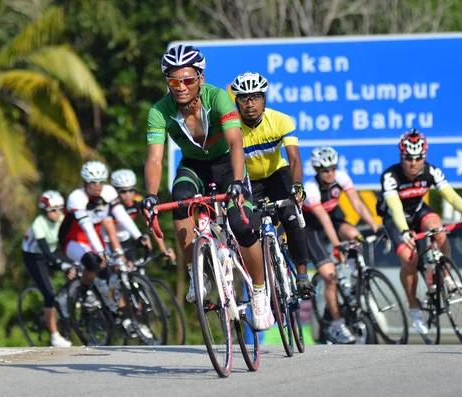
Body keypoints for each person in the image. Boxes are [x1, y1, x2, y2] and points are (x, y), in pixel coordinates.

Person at [143, 45, 274, 331]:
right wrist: (151, 196)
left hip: (227, 164)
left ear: (200, 78)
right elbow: (155, 157)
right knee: (179, 202)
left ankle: (260, 292)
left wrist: (238, 181)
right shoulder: (159, 111)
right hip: (193, 166)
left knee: (241, 225)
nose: (180, 87)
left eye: (187, 80)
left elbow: (236, 142)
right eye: (173, 81)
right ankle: (196, 273)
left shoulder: (218, 98)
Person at [376, 129, 462, 335]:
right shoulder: (390, 176)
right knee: (409, 258)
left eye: (418, 158)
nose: (413, 163)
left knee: (438, 231)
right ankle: (414, 308)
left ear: (425, 156)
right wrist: (404, 230)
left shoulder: (431, 171)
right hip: (396, 218)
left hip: (419, 211)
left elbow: (449, 194)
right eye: (408, 158)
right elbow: (395, 207)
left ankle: (445, 277)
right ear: (401, 156)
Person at [230, 71, 314, 297]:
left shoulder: (280, 120)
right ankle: (261, 281)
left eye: (255, 97)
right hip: (249, 181)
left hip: (278, 174)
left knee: (291, 216)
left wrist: (297, 186)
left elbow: (295, 159)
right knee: (248, 229)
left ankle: (302, 276)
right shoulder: (231, 127)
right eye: (244, 98)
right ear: (236, 101)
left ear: (264, 100)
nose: (250, 103)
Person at [59, 161, 152, 337]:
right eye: (93, 183)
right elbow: (86, 227)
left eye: (101, 182)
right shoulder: (76, 198)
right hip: (73, 240)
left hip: (96, 238)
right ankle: (83, 293)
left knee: (114, 271)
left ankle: (118, 313)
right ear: (85, 183)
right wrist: (101, 252)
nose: (97, 186)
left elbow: (121, 215)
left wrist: (138, 235)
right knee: (94, 263)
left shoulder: (108, 192)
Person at [302, 146, 380, 344]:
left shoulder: (341, 177)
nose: (329, 173)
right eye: (324, 170)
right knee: (329, 275)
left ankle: (352, 279)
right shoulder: (310, 188)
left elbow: (357, 204)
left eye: (332, 168)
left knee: (355, 235)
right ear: (317, 171)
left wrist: (374, 226)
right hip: (313, 229)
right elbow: (324, 221)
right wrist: (336, 245)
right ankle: (337, 324)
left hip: (334, 219)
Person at [22, 191, 76, 347]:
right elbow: (45, 251)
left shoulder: (62, 219)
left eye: (61, 209)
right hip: (35, 257)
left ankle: (69, 298)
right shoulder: (39, 224)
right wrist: (63, 265)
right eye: (54, 210)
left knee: (78, 265)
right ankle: (54, 336)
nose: (58, 213)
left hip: (53, 251)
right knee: (50, 294)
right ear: (45, 211)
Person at [109, 169, 175, 263]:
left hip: (125, 238)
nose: (128, 195)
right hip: (107, 240)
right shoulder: (111, 204)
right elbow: (111, 234)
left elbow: (151, 223)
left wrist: (163, 248)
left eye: (131, 190)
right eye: (123, 191)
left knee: (135, 268)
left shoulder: (137, 201)